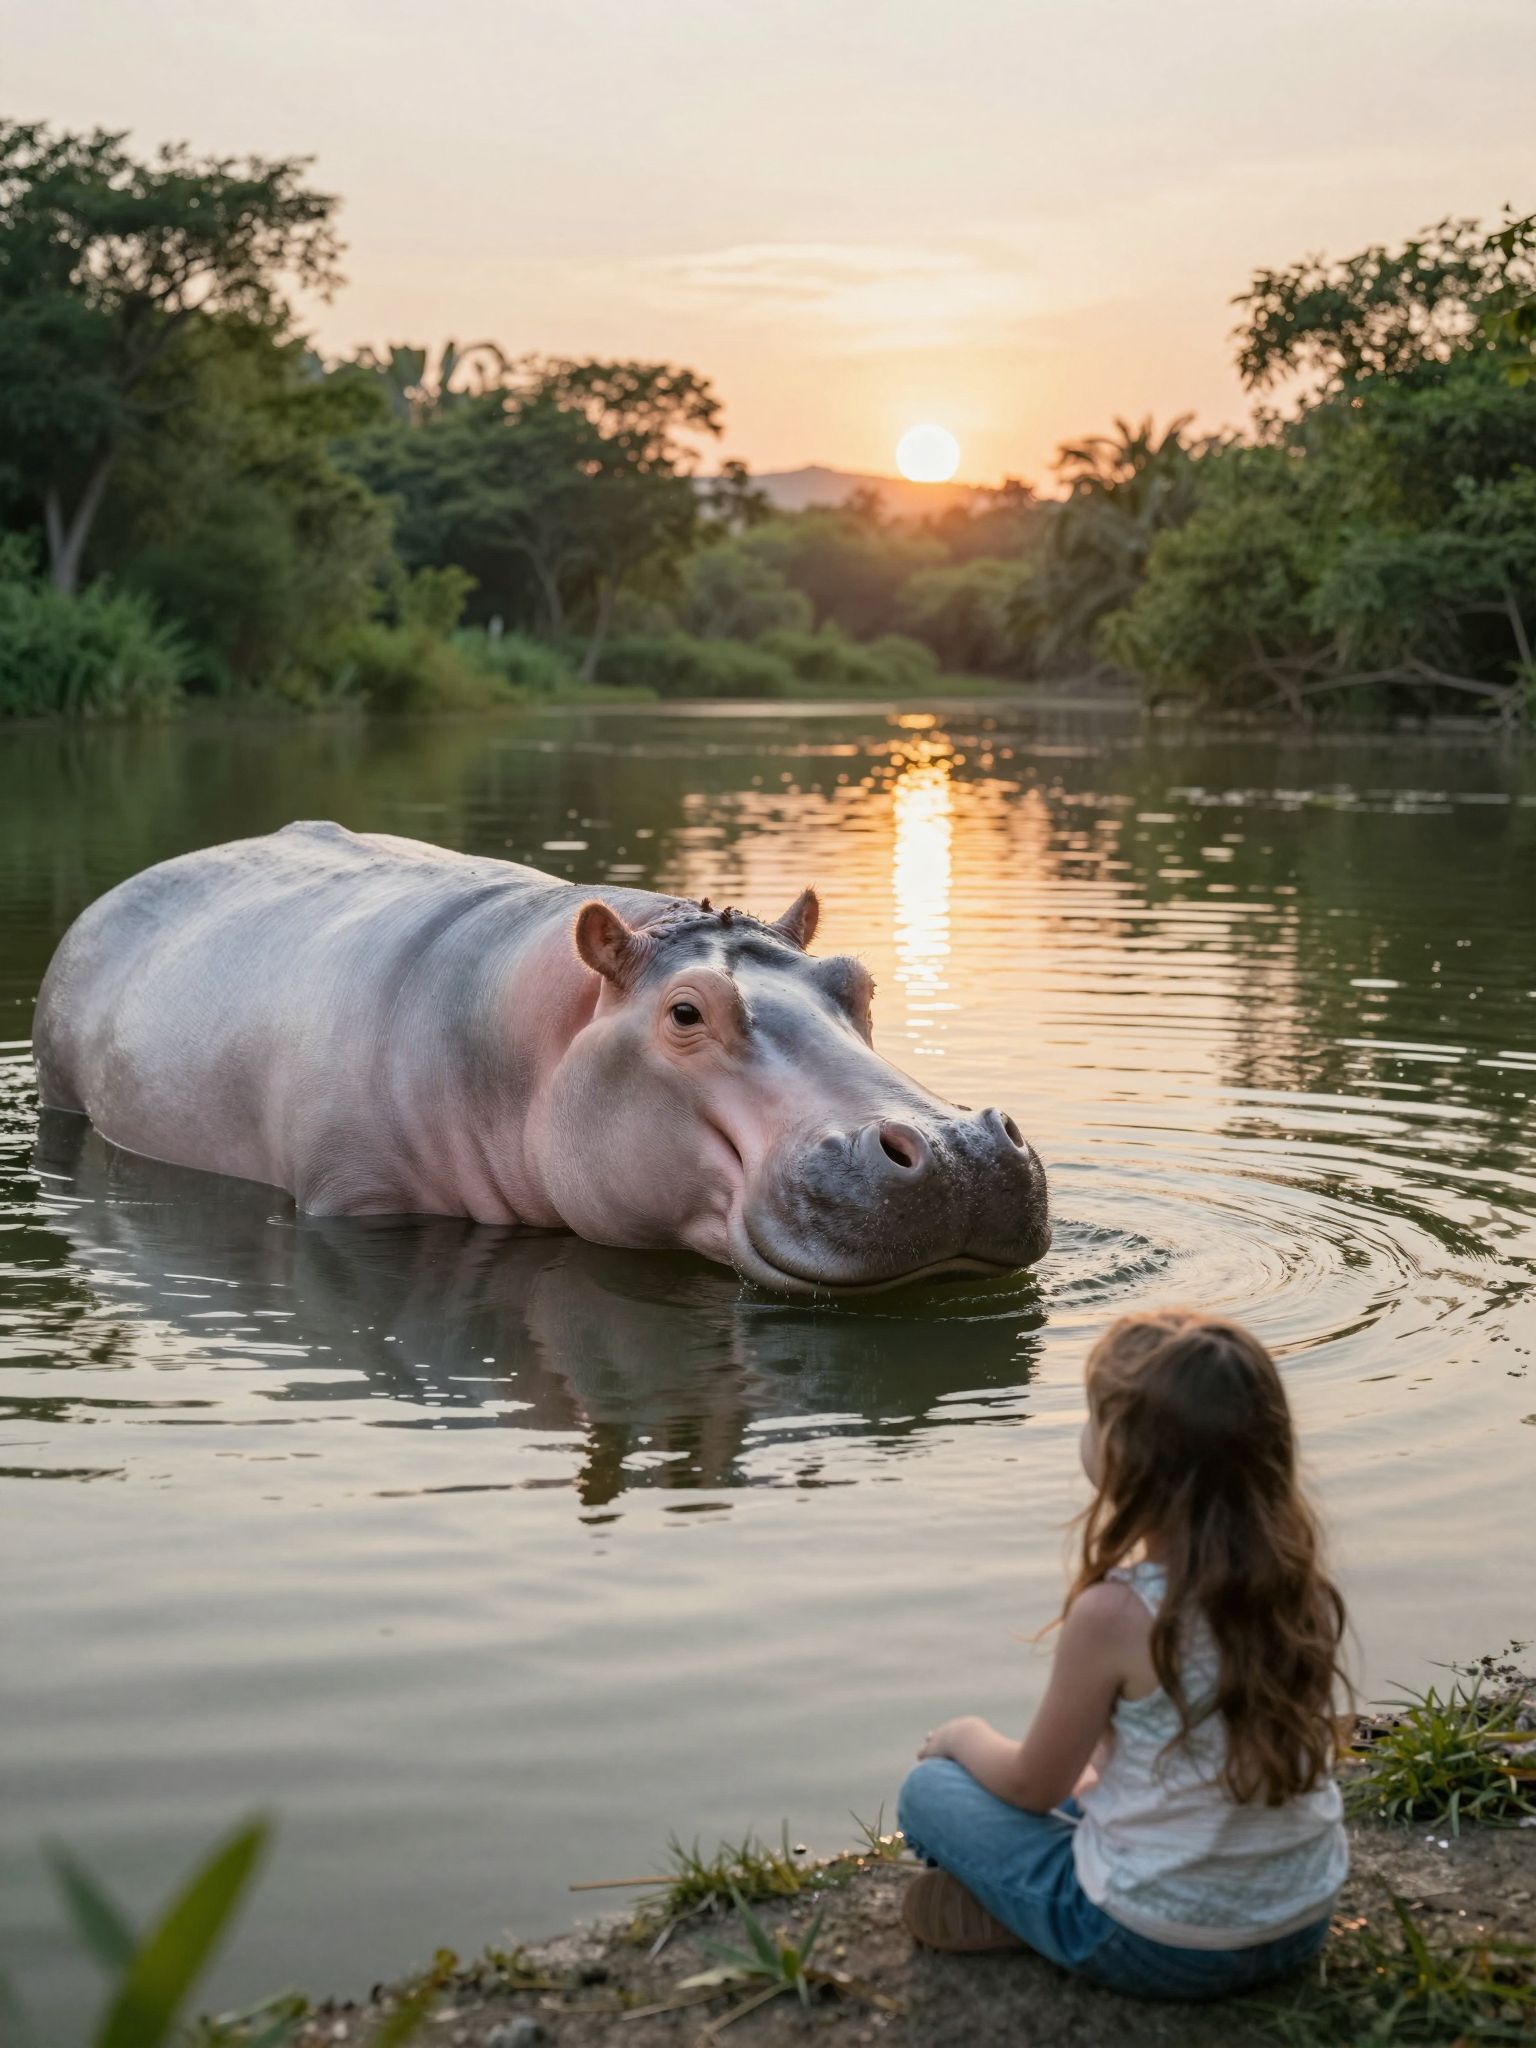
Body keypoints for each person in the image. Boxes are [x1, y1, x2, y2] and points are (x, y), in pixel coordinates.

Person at [897, 1307, 1350, 2001]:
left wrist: (963, 1737)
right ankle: (1036, 1903)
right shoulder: (1299, 1587)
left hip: (1157, 1945)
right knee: (1095, 1791)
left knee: (928, 1794)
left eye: (1093, 1417)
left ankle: (1035, 1917)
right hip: (1299, 1922)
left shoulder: (1116, 1614)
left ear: (1127, 1459)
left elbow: (1031, 1787)